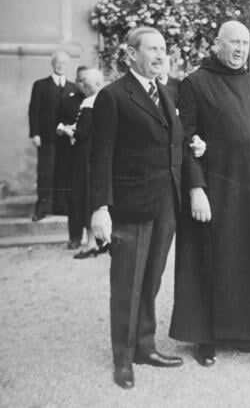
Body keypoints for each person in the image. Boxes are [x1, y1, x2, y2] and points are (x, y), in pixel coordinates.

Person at [169, 20, 250, 367]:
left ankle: (247, 331)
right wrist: (196, 188)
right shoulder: (195, 83)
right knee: (208, 260)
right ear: (217, 44)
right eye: (233, 42)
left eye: (245, 43)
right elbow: (186, 140)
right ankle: (205, 338)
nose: (240, 48)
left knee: (248, 261)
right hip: (216, 190)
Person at [89, 26, 184, 389]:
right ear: (131, 54)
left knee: (152, 280)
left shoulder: (168, 90)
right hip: (130, 205)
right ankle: (123, 358)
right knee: (127, 285)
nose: (160, 55)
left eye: (163, 48)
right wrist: (100, 206)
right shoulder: (113, 96)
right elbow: (101, 156)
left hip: (166, 203)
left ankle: (145, 346)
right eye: (152, 49)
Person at [28, 51, 84, 223]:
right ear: (52, 64)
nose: (61, 66)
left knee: (64, 170)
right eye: (58, 63)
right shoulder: (41, 85)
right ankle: (42, 206)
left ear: (68, 66)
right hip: (46, 137)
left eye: (64, 63)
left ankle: (60, 206)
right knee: (45, 171)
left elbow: (76, 113)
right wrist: (35, 133)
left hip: (66, 139)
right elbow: (34, 111)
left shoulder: (72, 87)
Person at [64, 68, 106, 259]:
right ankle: (100, 241)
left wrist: (67, 131)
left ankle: (91, 243)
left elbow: (82, 134)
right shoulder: (105, 100)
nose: (85, 89)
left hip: (85, 158)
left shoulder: (89, 103)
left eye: (87, 86)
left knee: (86, 198)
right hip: (96, 155)